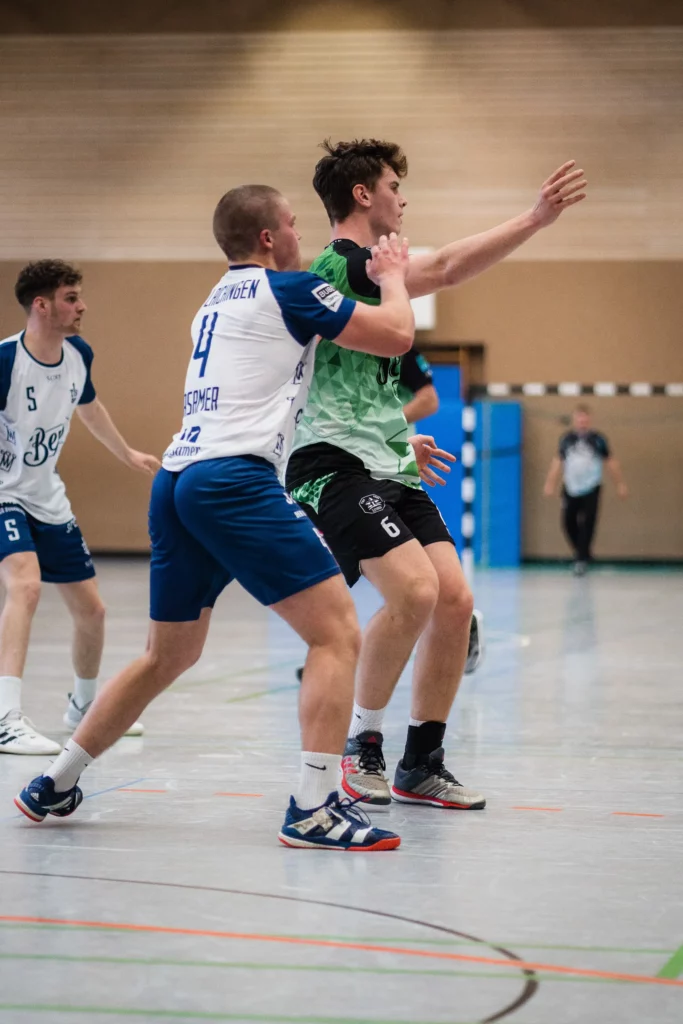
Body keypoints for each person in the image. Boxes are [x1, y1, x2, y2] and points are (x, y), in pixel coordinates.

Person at [15, 185, 416, 852]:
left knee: (167, 654)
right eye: (292, 224)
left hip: (177, 480)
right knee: (337, 633)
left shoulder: (215, 301)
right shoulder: (288, 290)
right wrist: (394, 276)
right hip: (233, 480)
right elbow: (396, 335)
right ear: (268, 238)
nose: (300, 235)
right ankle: (314, 808)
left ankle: (56, 780)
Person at [286, 139, 588, 810]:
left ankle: (421, 762)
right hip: (332, 464)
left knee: (452, 601)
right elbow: (447, 267)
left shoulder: (370, 274)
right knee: (415, 592)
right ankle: (361, 744)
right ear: (363, 194)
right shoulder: (348, 263)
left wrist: (397, 434)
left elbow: (357, 382)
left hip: (386, 460)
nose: (402, 198)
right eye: (393, 185)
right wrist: (535, 218)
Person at [0, 261, 159, 755]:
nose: (82, 306)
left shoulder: (78, 354)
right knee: (25, 586)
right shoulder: (6, 360)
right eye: (71, 298)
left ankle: (83, 706)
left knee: (92, 611)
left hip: (46, 495)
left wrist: (126, 453)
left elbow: (89, 406)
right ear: (41, 305)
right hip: (4, 493)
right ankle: (5, 718)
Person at [543, 404, 627, 575]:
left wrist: (620, 484)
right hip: (571, 487)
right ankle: (582, 551)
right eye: (579, 419)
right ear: (575, 420)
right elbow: (558, 461)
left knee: (588, 523)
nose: (582, 422)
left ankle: (581, 559)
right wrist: (550, 483)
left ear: (589, 420)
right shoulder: (567, 439)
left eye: (585, 419)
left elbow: (610, 462)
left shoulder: (598, 440)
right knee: (568, 522)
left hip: (591, 487)